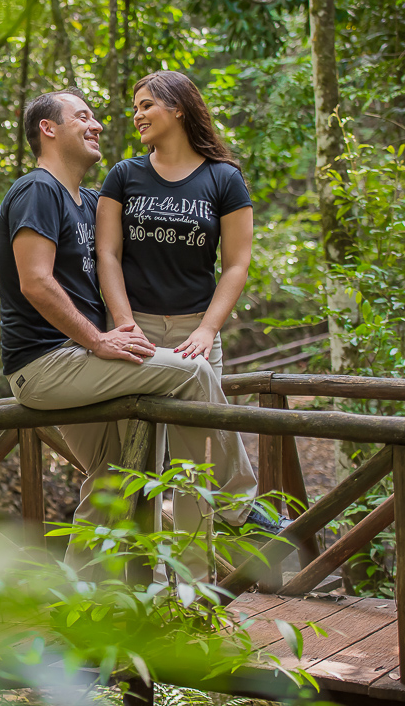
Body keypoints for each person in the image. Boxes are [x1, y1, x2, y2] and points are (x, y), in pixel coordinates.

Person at [0, 87, 262, 580]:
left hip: (83, 361)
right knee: (193, 375)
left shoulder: (85, 201)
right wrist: (102, 338)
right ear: (48, 129)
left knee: (118, 477)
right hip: (48, 363)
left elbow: (142, 235)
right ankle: (243, 511)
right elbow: (35, 281)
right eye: (83, 116)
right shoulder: (38, 190)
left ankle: (98, 607)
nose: (98, 124)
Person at [95, 70, 274, 558]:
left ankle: (195, 596)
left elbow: (237, 264)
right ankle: (139, 588)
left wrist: (208, 329)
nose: (137, 115)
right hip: (137, 333)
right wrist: (124, 323)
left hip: (197, 332)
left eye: (147, 104)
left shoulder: (223, 178)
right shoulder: (123, 175)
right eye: (135, 107)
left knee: (198, 466)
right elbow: (107, 253)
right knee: (137, 463)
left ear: (178, 107)